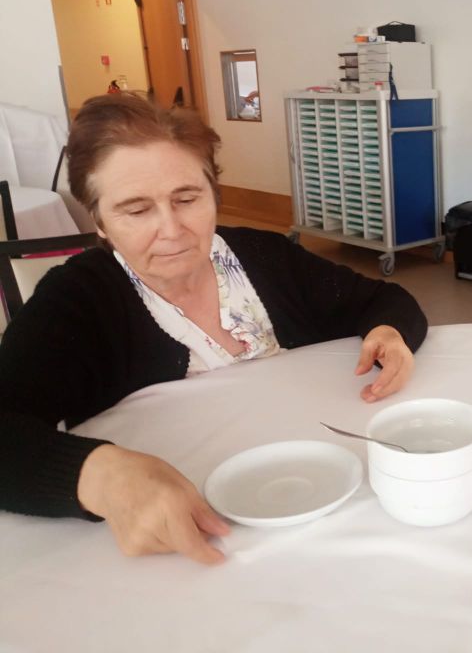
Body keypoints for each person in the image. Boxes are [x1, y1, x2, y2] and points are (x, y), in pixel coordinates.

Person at [0, 94, 428, 563]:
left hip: (320, 496)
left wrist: (389, 332)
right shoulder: (79, 300)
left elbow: (382, 300)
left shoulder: (266, 257)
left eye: (187, 199)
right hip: (183, 544)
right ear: (99, 221)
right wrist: (98, 475)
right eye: (136, 210)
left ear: (213, 194)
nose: (171, 230)